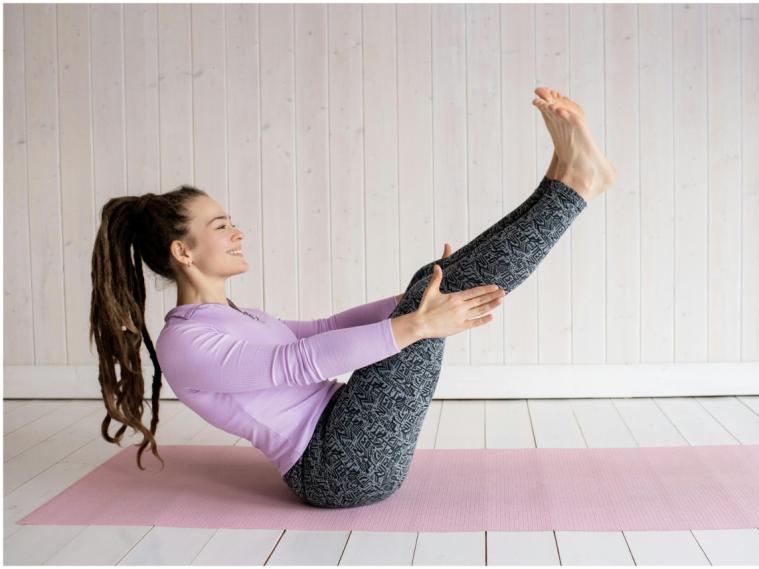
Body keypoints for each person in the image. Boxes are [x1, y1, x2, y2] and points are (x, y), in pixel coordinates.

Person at [88, 87, 616, 509]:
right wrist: (417, 322)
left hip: (346, 438)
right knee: (424, 303)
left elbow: (321, 331)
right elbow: (295, 363)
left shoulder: (228, 316)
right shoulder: (186, 341)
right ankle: (573, 186)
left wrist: (410, 298)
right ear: (183, 250)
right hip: (337, 469)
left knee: (427, 282)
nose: (238, 233)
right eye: (222, 225)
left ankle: (563, 182)